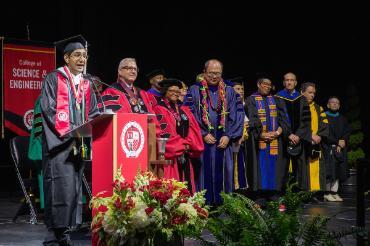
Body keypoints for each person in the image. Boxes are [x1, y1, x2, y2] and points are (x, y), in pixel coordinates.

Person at [40, 38, 100, 245]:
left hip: (80, 142)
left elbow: (92, 111)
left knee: (75, 188)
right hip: (60, 144)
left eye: (84, 55)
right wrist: (69, 132)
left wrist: (100, 118)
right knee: (61, 188)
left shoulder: (87, 83)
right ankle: (56, 235)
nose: (82, 59)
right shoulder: (53, 79)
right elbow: (48, 110)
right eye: (77, 55)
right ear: (66, 58)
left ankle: (68, 231)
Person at [187, 59, 244, 205]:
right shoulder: (194, 90)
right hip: (202, 142)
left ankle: (224, 205)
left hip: (224, 142)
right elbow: (189, 115)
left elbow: (238, 115)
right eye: (211, 73)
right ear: (204, 72)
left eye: (217, 73)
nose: (214, 76)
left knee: (225, 172)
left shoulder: (230, 91)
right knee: (202, 173)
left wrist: (228, 135)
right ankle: (202, 205)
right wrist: (203, 133)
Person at [153, 79, 204, 193]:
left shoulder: (183, 110)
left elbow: (193, 129)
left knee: (187, 187)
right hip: (171, 158)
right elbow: (162, 133)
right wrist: (181, 145)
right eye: (171, 90)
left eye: (177, 91)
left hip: (185, 155)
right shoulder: (159, 109)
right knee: (172, 189)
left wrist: (188, 144)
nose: (175, 93)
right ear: (165, 92)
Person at [246, 76, 287, 199]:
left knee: (275, 167)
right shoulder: (251, 100)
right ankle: (259, 195)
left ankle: (274, 194)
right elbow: (251, 120)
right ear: (258, 84)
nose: (268, 86)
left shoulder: (276, 100)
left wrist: (277, 133)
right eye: (265, 84)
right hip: (258, 140)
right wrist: (261, 134)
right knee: (259, 167)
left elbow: (284, 120)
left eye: (269, 84)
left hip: (276, 140)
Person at [275, 72, 311, 188]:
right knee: (282, 167)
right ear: (283, 82)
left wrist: (298, 135)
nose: (289, 82)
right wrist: (289, 134)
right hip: (283, 138)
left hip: (299, 138)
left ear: (295, 83)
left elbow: (306, 120)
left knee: (300, 167)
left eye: (291, 80)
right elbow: (278, 119)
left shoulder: (302, 99)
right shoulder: (277, 98)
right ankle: (281, 194)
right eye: (286, 80)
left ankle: (299, 194)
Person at [300, 82, 329, 193]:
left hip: (316, 143)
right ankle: (303, 194)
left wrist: (319, 136)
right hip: (302, 143)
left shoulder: (318, 108)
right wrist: (309, 135)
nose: (312, 95)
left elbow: (324, 124)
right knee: (303, 170)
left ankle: (314, 193)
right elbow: (298, 125)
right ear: (302, 92)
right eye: (310, 92)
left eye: (314, 93)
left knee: (316, 168)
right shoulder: (298, 107)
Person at [322, 96, 351, 202]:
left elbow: (347, 132)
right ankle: (327, 193)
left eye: (337, 103)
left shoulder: (343, 118)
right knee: (329, 171)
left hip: (340, 148)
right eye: (332, 102)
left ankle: (334, 192)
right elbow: (323, 134)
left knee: (339, 170)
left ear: (339, 106)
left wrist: (342, 141)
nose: (334, 104)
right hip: (328, 147)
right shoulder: (323, 117)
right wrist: (336, 142)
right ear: (328, 105)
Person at [231, 77, 249, 190]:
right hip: (233, 139)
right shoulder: (229, 104)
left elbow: (247, 123)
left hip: (243, 140)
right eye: (238, 88)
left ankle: (241, 189)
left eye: (242, 88)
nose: (241, 91)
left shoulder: (245, 104)